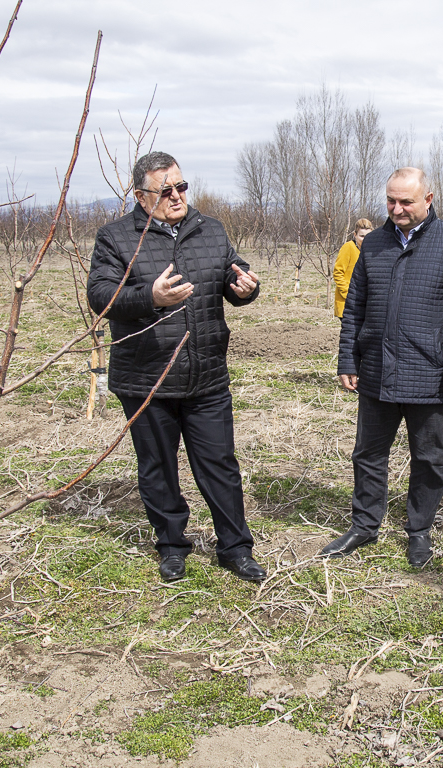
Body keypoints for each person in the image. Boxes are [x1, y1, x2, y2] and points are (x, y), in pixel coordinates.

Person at [87, 151, 267, 585]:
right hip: (146, 379)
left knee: (220, 464)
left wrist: (243, 287)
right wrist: (149, 297)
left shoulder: (210, 229)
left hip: (206, 374)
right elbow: (101, 296)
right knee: (158, 467)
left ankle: (236, 548)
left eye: (181, 187)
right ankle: (171, 546)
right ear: (141, 196)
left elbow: (230, 274)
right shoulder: (116, 238)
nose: (176, 196)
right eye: (165, 190)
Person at [321, 168, 443, 567]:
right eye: (391, 201)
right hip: (376, 370)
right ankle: (364, 525)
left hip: (428, 372)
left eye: (406, 202)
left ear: (428, 199)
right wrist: (348, 358)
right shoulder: (374, 243)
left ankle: (419, 530)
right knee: (368, 454)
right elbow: (355, 307)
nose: (396, 209)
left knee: (428, 458)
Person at [333, 218, 374, 319]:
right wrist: (348, 294)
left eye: (368, 236)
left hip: (364, 304)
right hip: (347, 304)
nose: (365, 239)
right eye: (362, 236)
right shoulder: (348, 247)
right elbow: (338, 273)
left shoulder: (371, 251)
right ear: (355, 235)